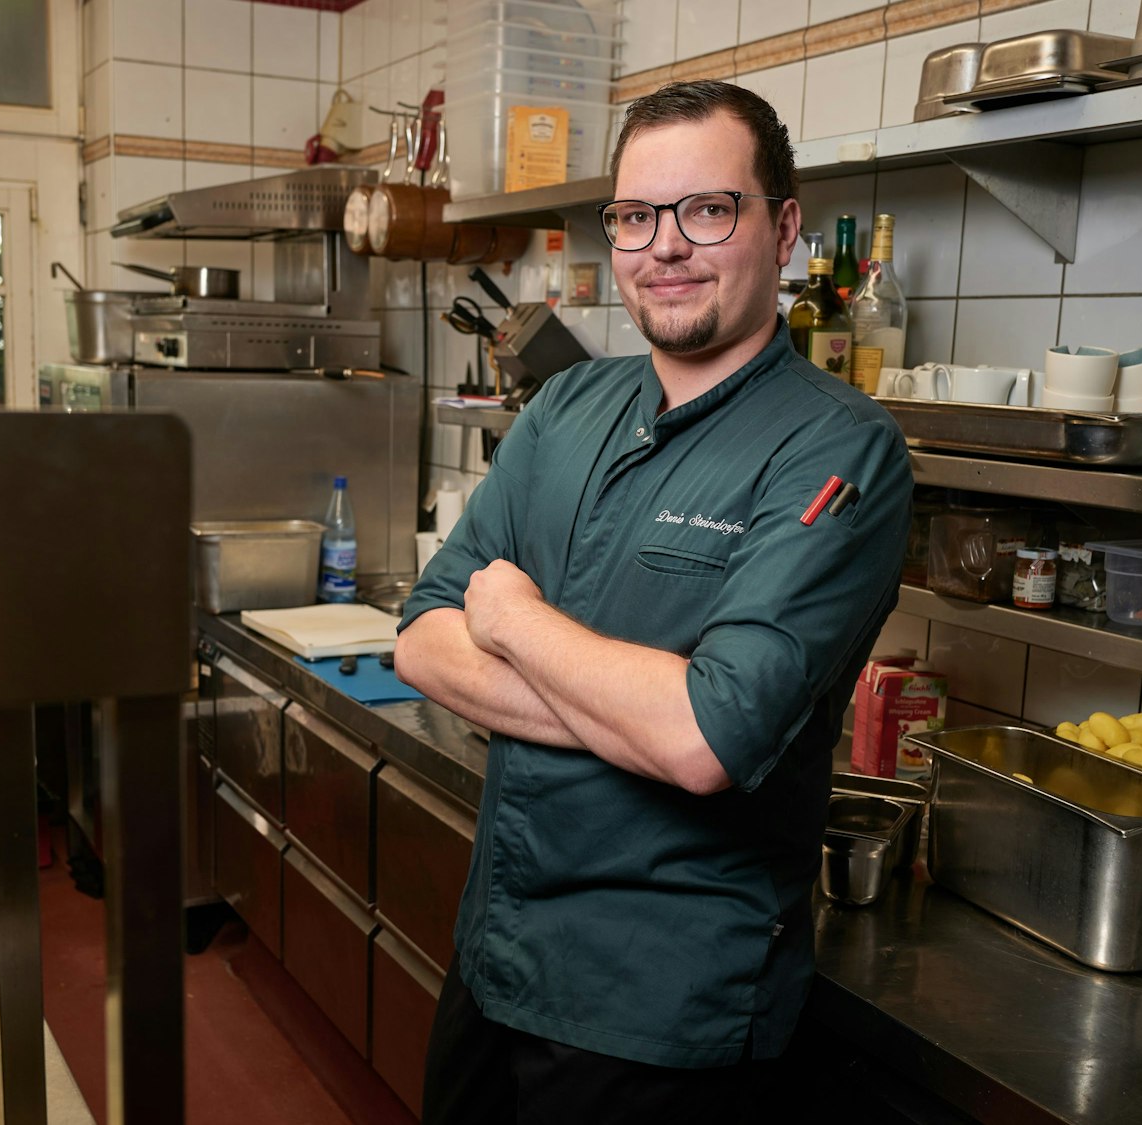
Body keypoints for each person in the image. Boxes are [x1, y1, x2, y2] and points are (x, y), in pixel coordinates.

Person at [394, 81, 914, 1122]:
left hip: (661, 1013)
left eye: (706, 210)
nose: (664, 246)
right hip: (495, 962)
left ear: (782, 229)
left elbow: (703, 741)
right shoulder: (570, 403)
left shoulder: (836, 446)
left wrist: (509, 618)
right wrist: (636, 711)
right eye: (635, 217)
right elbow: (419, 637)